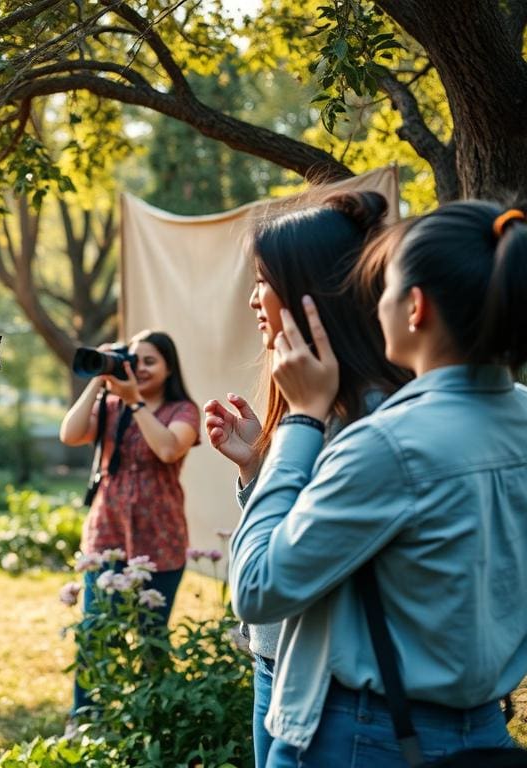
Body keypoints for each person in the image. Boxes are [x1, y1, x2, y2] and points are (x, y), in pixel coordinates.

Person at [229, 201, 527, 767]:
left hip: (368, 733)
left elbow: (258, 588)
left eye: (384, 285)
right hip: (484, 725)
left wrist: (300, 420)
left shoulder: (388, 442)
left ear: (414, 307)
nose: (372, 300)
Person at [203, 191, 408, 767]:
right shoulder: (317, 405)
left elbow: (266, 580)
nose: (251, 300)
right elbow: (291, 542)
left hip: (334, 695)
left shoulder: (367, 420)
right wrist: (254, 468)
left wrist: (297, 424)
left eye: (263, 281)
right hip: (277, 662)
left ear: (309, 294)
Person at [59, 331, 201, 721]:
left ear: (170, 367)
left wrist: (135, 401)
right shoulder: (110, 405)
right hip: (106, 535)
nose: (140, 367)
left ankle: (152, 718)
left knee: (151, 637)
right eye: (134, 359)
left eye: (151, 361)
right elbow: (69, 434)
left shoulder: (182, 410)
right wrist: (98, 379)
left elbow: (169, 448)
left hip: (160, 538)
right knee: (94, 633)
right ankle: (85, 720)